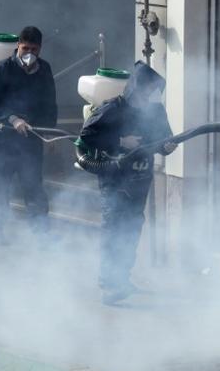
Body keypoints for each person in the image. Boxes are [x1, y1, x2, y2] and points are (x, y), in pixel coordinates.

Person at [75, 61, 177, 305]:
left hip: (140, 180)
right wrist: (120, 141)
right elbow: (87, 138)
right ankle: (108, 284)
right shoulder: (112, 109)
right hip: (114, 178)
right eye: (146, 93)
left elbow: (164, 140)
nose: (149, 99)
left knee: (131, 229)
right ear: (135, 89)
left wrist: (168, 147)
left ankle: (122, 277)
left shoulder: (156, 111)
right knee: (114, 229)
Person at [0, 26, 57, 243]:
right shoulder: (2, 69)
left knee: (34, 187)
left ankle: (41, 234)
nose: (29, 53)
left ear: (40, 49)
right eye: (25, 48)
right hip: (3, 141)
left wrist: (50, 133)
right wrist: (13, 119)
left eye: (34, 49)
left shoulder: (44, 70)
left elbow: (50, 105)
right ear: (18, 45)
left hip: (31, 141)